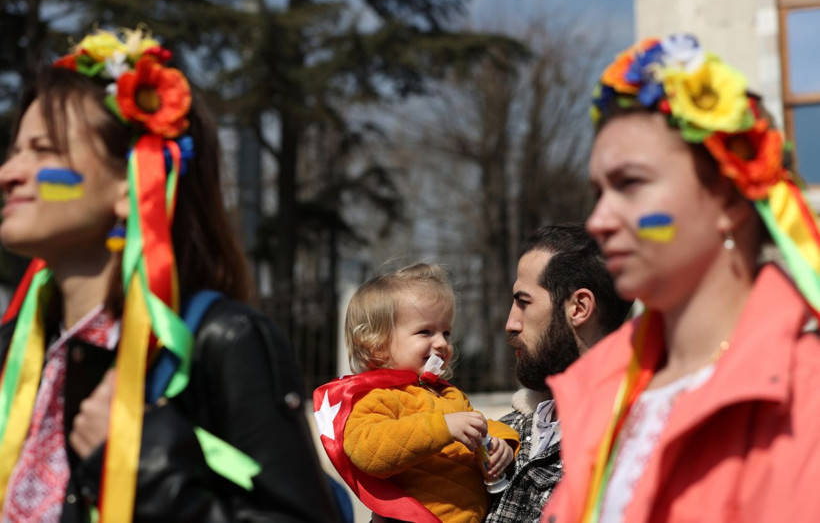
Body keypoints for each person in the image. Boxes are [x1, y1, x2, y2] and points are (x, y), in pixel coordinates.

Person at [0, 27, 339, 521]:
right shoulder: (13, 349)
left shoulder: (223, 341)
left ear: (129, 185)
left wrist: (147, 467)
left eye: (44, 150)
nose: (9, 172)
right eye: (14, 151)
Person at [541, 34, 820, 523]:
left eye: (631, 184)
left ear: (729, 202)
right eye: (598, 191)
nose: (600, 220)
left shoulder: (806, 399)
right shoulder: (597, 391)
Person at [314, 263, 520, 523]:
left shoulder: (449, 396)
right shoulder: (376, 396)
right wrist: (442, 427)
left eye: (447, 332)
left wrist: (502, 442)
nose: (442, 343)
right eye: (426, 332)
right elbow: (369, 450)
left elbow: (478, 424)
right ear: (377, 345)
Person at [485, 224, 632, 523]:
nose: (511, 324)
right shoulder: (503, 435)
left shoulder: (629, 452)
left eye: (524, 303)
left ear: (579, 308)